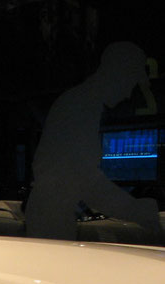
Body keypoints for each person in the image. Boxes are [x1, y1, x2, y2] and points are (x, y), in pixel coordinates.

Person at [25, 41, 160, 241]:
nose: (128, 93)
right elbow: (85, 179)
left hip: (51, 214)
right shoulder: (82, 106)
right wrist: (136, 210)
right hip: (52, 217)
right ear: (118, 74)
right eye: (131, 82)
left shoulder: (80, 102)